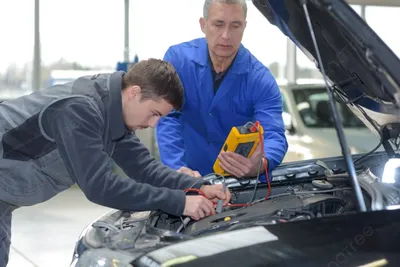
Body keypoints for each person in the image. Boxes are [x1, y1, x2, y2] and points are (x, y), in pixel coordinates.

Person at [0, 59, 230, 266]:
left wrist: (199, 187)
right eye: (154, 113)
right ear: (134, 92)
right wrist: (179, 202)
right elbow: (100, 186)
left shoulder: (111, 115)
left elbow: (144, 168)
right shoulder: (79, 110)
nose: (152, 124)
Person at [156, 0, 288, 180]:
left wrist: (262, 162)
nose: (226, 35)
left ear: (244, 27)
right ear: (203, 25)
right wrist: (176, 168)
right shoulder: (178, 61)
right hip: (187, 176)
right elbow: (168, 117)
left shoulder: (261, 80)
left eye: (235, 26)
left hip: (239, 182)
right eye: (218, 24)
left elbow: (274, 134)